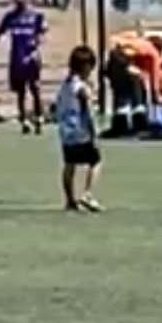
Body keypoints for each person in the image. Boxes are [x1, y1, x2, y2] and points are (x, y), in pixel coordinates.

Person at [55, 45, 103, 213]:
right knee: (95, 161)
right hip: (81, 131)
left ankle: (69, 200)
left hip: (66, 132)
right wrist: (94, 131)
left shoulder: (65, 85)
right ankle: (87, 194)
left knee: (70, 164)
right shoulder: (82, 88)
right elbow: (88, 111)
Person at [0, 0, 48, 134]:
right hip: (16, 56)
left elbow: (42, 34)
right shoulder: (9, 16)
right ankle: (24, 120)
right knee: (20, 90)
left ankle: (39, 118)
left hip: (32, 55)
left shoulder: (37, 16)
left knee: (35, 87)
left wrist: (36, 43)